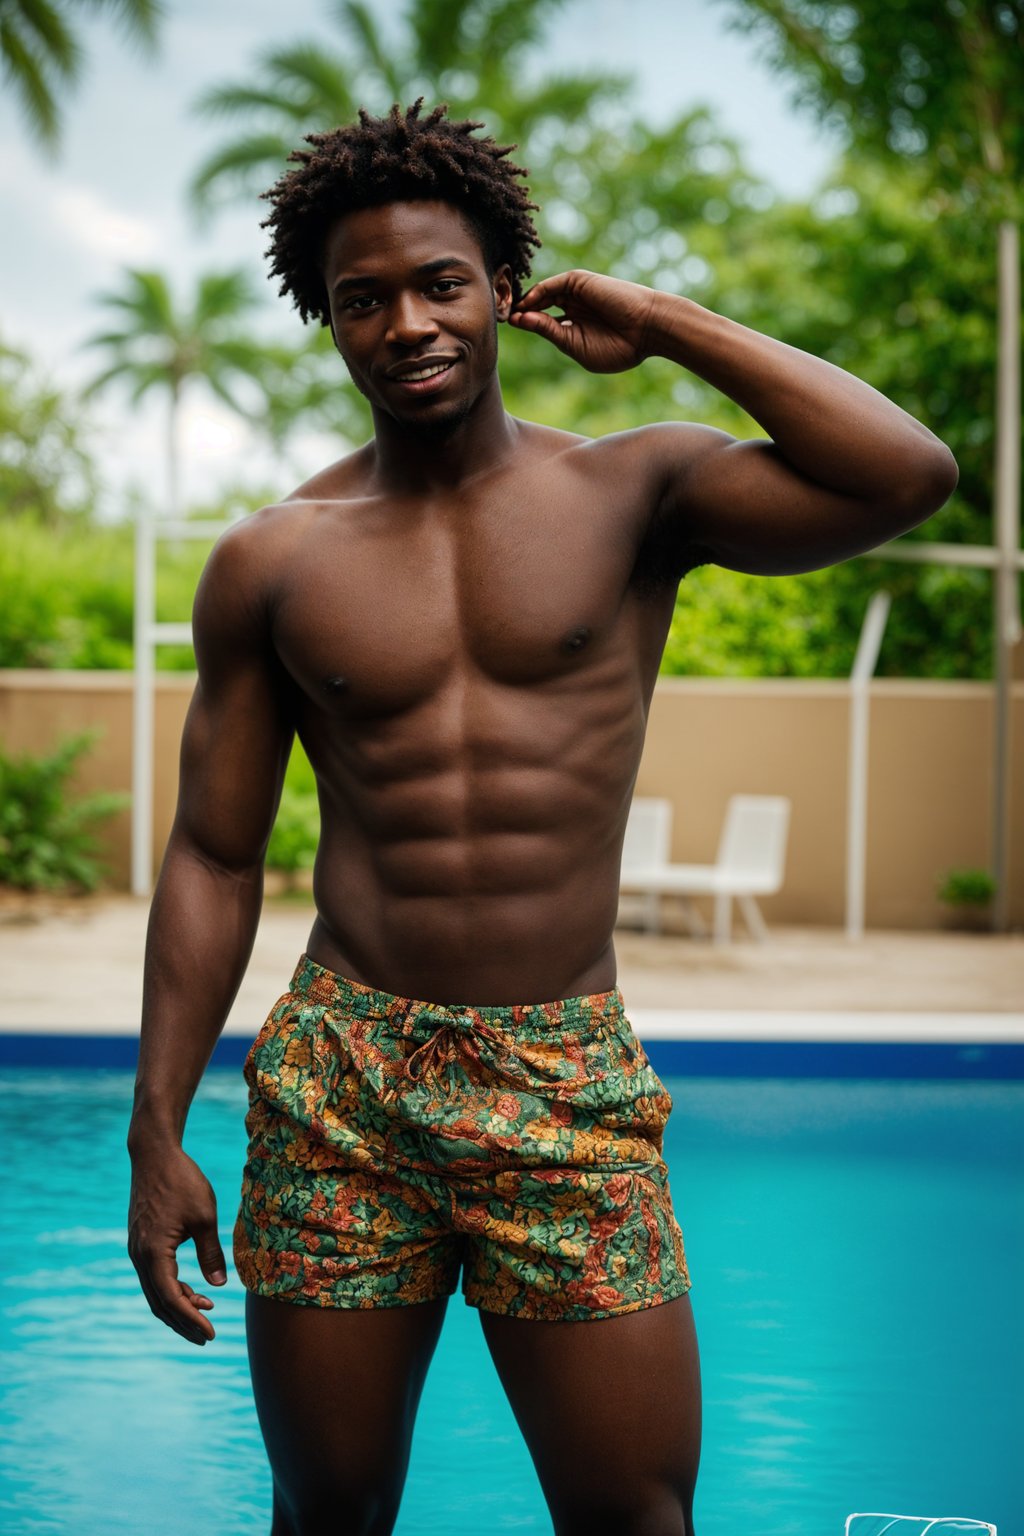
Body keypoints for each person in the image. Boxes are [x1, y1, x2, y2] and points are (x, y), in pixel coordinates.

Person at [126, 100, 957, 1536]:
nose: (407, 325)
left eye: (440, 283)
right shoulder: (272, 561)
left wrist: (663, 317)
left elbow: (906, 473)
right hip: (345, 1075)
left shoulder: (635, 488)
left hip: (564, 1076)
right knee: (326, 1508)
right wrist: (154, 1127)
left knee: (636, 1515)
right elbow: (214, 849)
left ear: (504, 288)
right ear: (325, 324)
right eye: (359, 300)